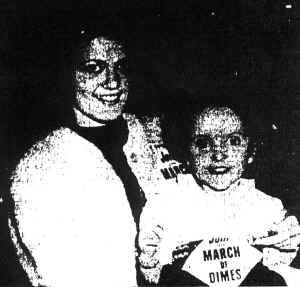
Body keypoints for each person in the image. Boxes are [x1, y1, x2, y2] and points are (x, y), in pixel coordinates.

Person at [6, 23, 149, 286]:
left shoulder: (152, 132)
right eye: (93, 68)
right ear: (65, 75)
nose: (113, 81)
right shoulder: (38, 169)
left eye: (121, 67)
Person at [138, 100, 300, 286]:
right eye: (203, 143)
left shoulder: (267, 206)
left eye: (233, 141)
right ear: (186, 153)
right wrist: (150, 259)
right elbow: (152, 275)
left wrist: (285, 245)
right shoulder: (167, 202)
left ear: (251, 151)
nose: (218, 153)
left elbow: (281, 266)